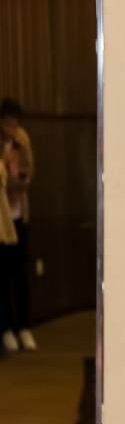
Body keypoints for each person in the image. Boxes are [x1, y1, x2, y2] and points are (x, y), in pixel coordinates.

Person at [0, 98, 35, 354]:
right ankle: (6, 329)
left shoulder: (22, 138)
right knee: (3, 275)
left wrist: (23, 178)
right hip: (2, 220)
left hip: (19, 212)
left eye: (15, 124)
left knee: (21, 273)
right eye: (8, 124)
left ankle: (24, 327)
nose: (12, 129)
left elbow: (29, 167)